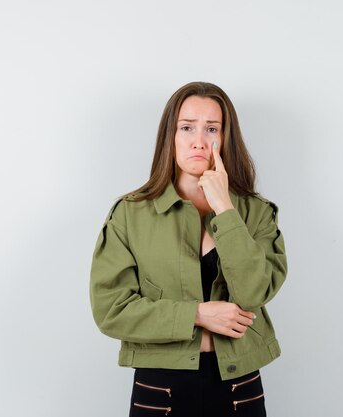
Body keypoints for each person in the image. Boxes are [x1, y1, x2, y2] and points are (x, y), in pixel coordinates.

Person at [89, 81, 288, 416]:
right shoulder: (130, 213)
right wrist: (196, 314)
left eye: (212, 128)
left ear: (226, 138)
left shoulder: (255, 212)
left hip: (240, 389)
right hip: (160, 389)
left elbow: (254, 292)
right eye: (186, 127)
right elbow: (111, 311)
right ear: (171, 136)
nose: (199, 140)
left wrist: (225, 209)